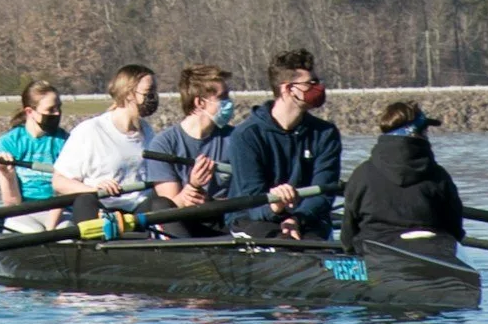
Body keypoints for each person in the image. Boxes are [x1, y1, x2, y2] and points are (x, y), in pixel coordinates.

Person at [223, 48, 343, 240]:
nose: (318, 88)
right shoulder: (246, 136)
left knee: (310, 246)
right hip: (252, 218)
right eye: (310, 84)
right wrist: (276, 207)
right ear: (287, 89)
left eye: (318, 82)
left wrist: (296, 218)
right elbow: (250, 199)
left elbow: (323, 193)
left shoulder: (326, 134)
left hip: (306, 219)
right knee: (283, 243)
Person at [342, 100, 464, 254]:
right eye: (425, 130)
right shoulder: (438, 176)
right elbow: (455, 229)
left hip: (375, 254)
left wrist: (349, 251)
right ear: (417, 133)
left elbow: (348, 232)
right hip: (431, 255)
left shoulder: (361, 174)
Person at [51, 64, 158, 225]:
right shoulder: (90, 131)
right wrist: (94, 190)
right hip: (101, 207)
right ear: (129, 94)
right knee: (84, 201)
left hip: (139, 207)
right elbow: (59, 182)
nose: (154, 97)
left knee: (162, 203)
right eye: (149, 92)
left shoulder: (147, 131)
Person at [139, 64, 234, 238]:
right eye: (223, 97)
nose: (230, 103)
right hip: (184, 222)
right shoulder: (163, 144)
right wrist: (193, 187)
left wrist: (211, 203)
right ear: (200, 103)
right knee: (158, 204)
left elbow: (244, 195)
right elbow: (170, 204)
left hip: (223, 220)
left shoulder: (234, 139)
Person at [0, 81, 68, 230]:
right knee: (32, 232)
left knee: (66, 236)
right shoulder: (8, 143)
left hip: (60, 210)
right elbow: (12, 203)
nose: (57, 113)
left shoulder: (66, 141)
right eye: (51, 109)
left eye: (59, 107)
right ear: (30, 112)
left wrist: (51, 227)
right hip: (23, 212)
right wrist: (6, 173)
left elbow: (64, 192)